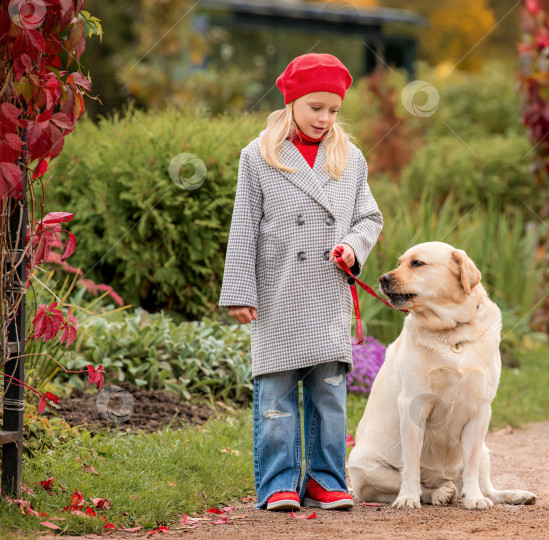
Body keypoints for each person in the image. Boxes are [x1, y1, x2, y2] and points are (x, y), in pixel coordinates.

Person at [217, 52, 384, 511]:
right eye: (316, 107)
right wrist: (240, 291)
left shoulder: (349, 158)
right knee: (275, 396)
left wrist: (353, 245)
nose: (325, 119)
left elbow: (369, 216)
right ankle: (277, 483)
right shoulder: (257, 156)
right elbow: (244, 225)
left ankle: (326, 479)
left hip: (326, 291)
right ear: (291, 102)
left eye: (334, 110)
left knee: (329, 396)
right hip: (278, 293)